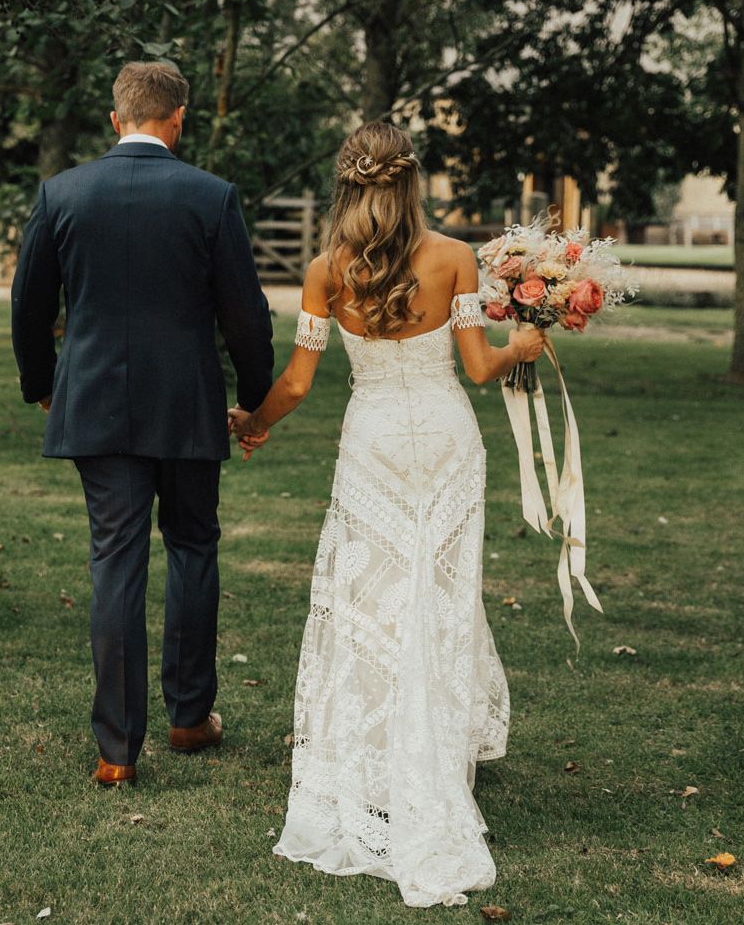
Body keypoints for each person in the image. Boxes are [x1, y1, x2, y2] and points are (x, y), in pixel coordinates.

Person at [228, 122, 544, 907]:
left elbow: (297, 384)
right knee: (439, 597)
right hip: (443, 445)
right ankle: (431, 756)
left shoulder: (325, 269)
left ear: (347, 184)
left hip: (372, 447)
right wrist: (520, 351)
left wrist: (255, 421)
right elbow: (477, 368)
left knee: (370, 603)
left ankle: (373, 759)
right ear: (412, 181)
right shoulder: (454, 257)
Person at [11, 61, 274, 787]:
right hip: (186, 405)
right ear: (177, 118)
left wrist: (42, 385)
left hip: (94, 403)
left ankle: (117, 752)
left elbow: (28, 305)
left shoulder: (62, 193)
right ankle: (190, 719)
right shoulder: (210, 197)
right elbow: (245, 315)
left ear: (114, 116)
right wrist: (256, 397)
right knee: (192, 545)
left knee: (115, 558)